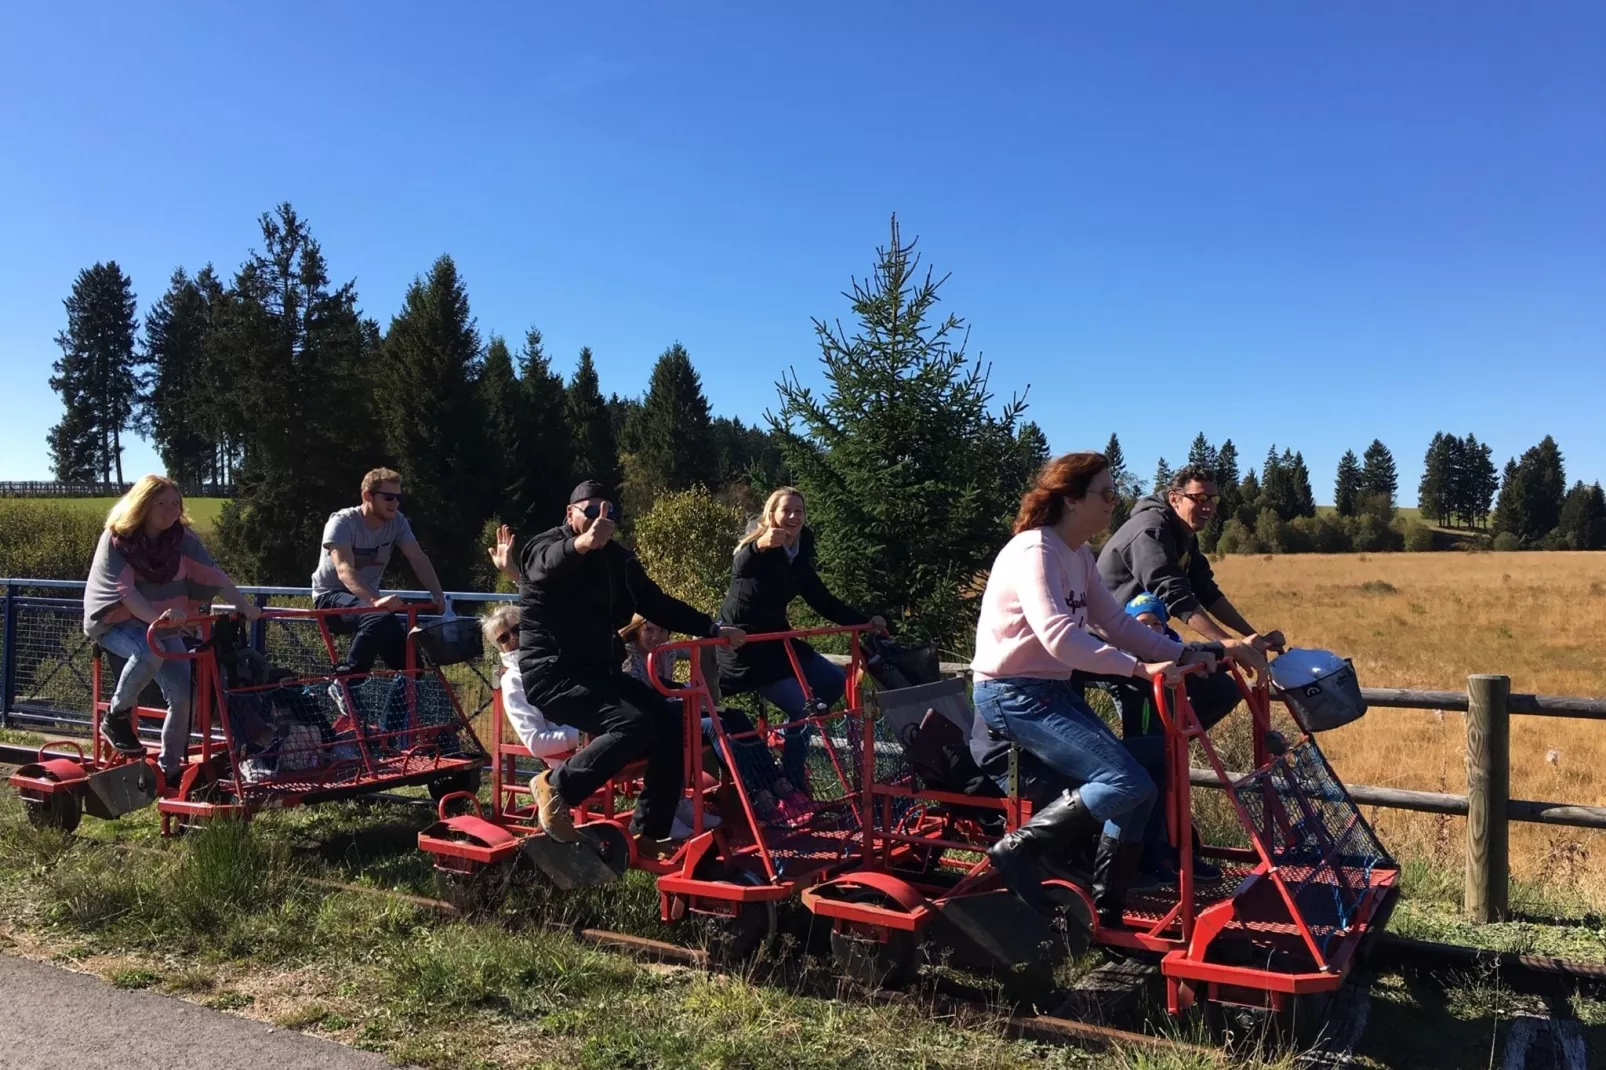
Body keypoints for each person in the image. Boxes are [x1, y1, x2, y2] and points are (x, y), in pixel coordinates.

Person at [970, 452, 1214, 926]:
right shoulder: (1033, 551)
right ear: (1070, 499)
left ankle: (1109, 900)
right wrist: (1138, 670)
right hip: (1011, 694)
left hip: (1048, 691)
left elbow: (1116, 623)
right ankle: (1015, 851)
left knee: (1145, 767)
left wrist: (1182, 654)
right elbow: (1059, 635)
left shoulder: (1078, 554)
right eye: (1105, 494)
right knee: (1125, 782)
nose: (1112, 503)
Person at [510, 480, 745, 855]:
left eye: (609, 512)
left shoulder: (617, 560)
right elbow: (543, 567)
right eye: (590, 510)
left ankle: (649, 832)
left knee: (671, 720)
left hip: (600, 672)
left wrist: (713, 628)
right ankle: (555, 786)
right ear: (569, 513)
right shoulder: (544, 546)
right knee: (632, 724)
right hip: (555, 675)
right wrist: (583, 544)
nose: (600, 518)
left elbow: (655, 602)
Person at [82, 475, 262, 783]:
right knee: (149, 653)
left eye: (174, 504)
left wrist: (242, 605)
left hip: (161, 625)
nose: (169, 510)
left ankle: (170, 769)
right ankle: (115, 715)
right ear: (143, 504)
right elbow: (127, 593)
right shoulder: (118, 539)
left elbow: (213, 575)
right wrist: (158, 619)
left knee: (184, 697)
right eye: (160, 503)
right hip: (115, 621)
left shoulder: (182, 539)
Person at [716, 487, 886, 802]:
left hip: (778, 640)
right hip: (744, 646)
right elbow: (741, 566)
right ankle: (792, 782)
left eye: (799, 511)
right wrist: (759, 546)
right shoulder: (755, 549)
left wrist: (865, 621)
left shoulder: (799, 558)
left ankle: (784, 736)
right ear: (771, 515)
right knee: (803, 706)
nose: (793, 517)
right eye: (786, 510)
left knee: (833, 681)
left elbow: (823, 601)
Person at [1098, 466, 1285, 731]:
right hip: (1115, 645)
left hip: (1148, 639)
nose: (1208, 507)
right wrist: (1228, 643)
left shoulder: (1182, 531)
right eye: (1199, 498)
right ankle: (1150, 762)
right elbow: (1176, 596)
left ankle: (1166, 760)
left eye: (1213, 499)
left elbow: (1205, 590)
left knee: (1221, 692)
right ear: (1175, 498)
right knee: (1149, 738)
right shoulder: (1150, 531)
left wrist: (1253, 637)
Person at [311, 468, 446, 727]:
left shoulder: (397, 522)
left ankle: (388, 736)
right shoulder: (342, 522)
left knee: (413, 670)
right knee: (376, 617)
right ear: (367, 496)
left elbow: (417, 557)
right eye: (388, 497)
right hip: (331, 597)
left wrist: (438, 594)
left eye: (398, 498)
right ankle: (346, 683)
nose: (395, 503)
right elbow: (343, 570)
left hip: (369, 604)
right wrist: (375, 601)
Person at [479, 604, 579, 765]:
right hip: (574, 756)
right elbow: (537, 743)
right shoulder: (514, 680)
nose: (512, 637)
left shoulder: (557, 658)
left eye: (517, 629)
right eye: (503, 638)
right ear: (500, 647)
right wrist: (583, 735)